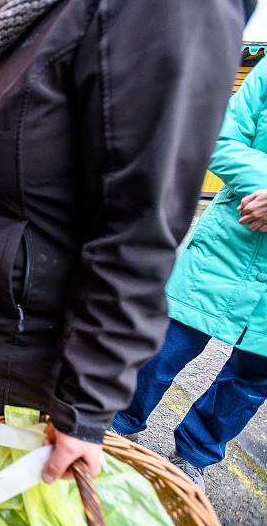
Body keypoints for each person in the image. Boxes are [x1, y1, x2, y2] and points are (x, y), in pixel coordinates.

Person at [0, 0, 248, 522]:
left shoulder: (156, 7)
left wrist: (84, 407)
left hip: (14, 377)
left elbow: (137, 227)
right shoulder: (29, 22)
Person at [112, 59, 267, 492]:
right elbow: (220, 136)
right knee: (162, 347)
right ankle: (121, 421)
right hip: (231, 240)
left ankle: (195, 454)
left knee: (251, 380)